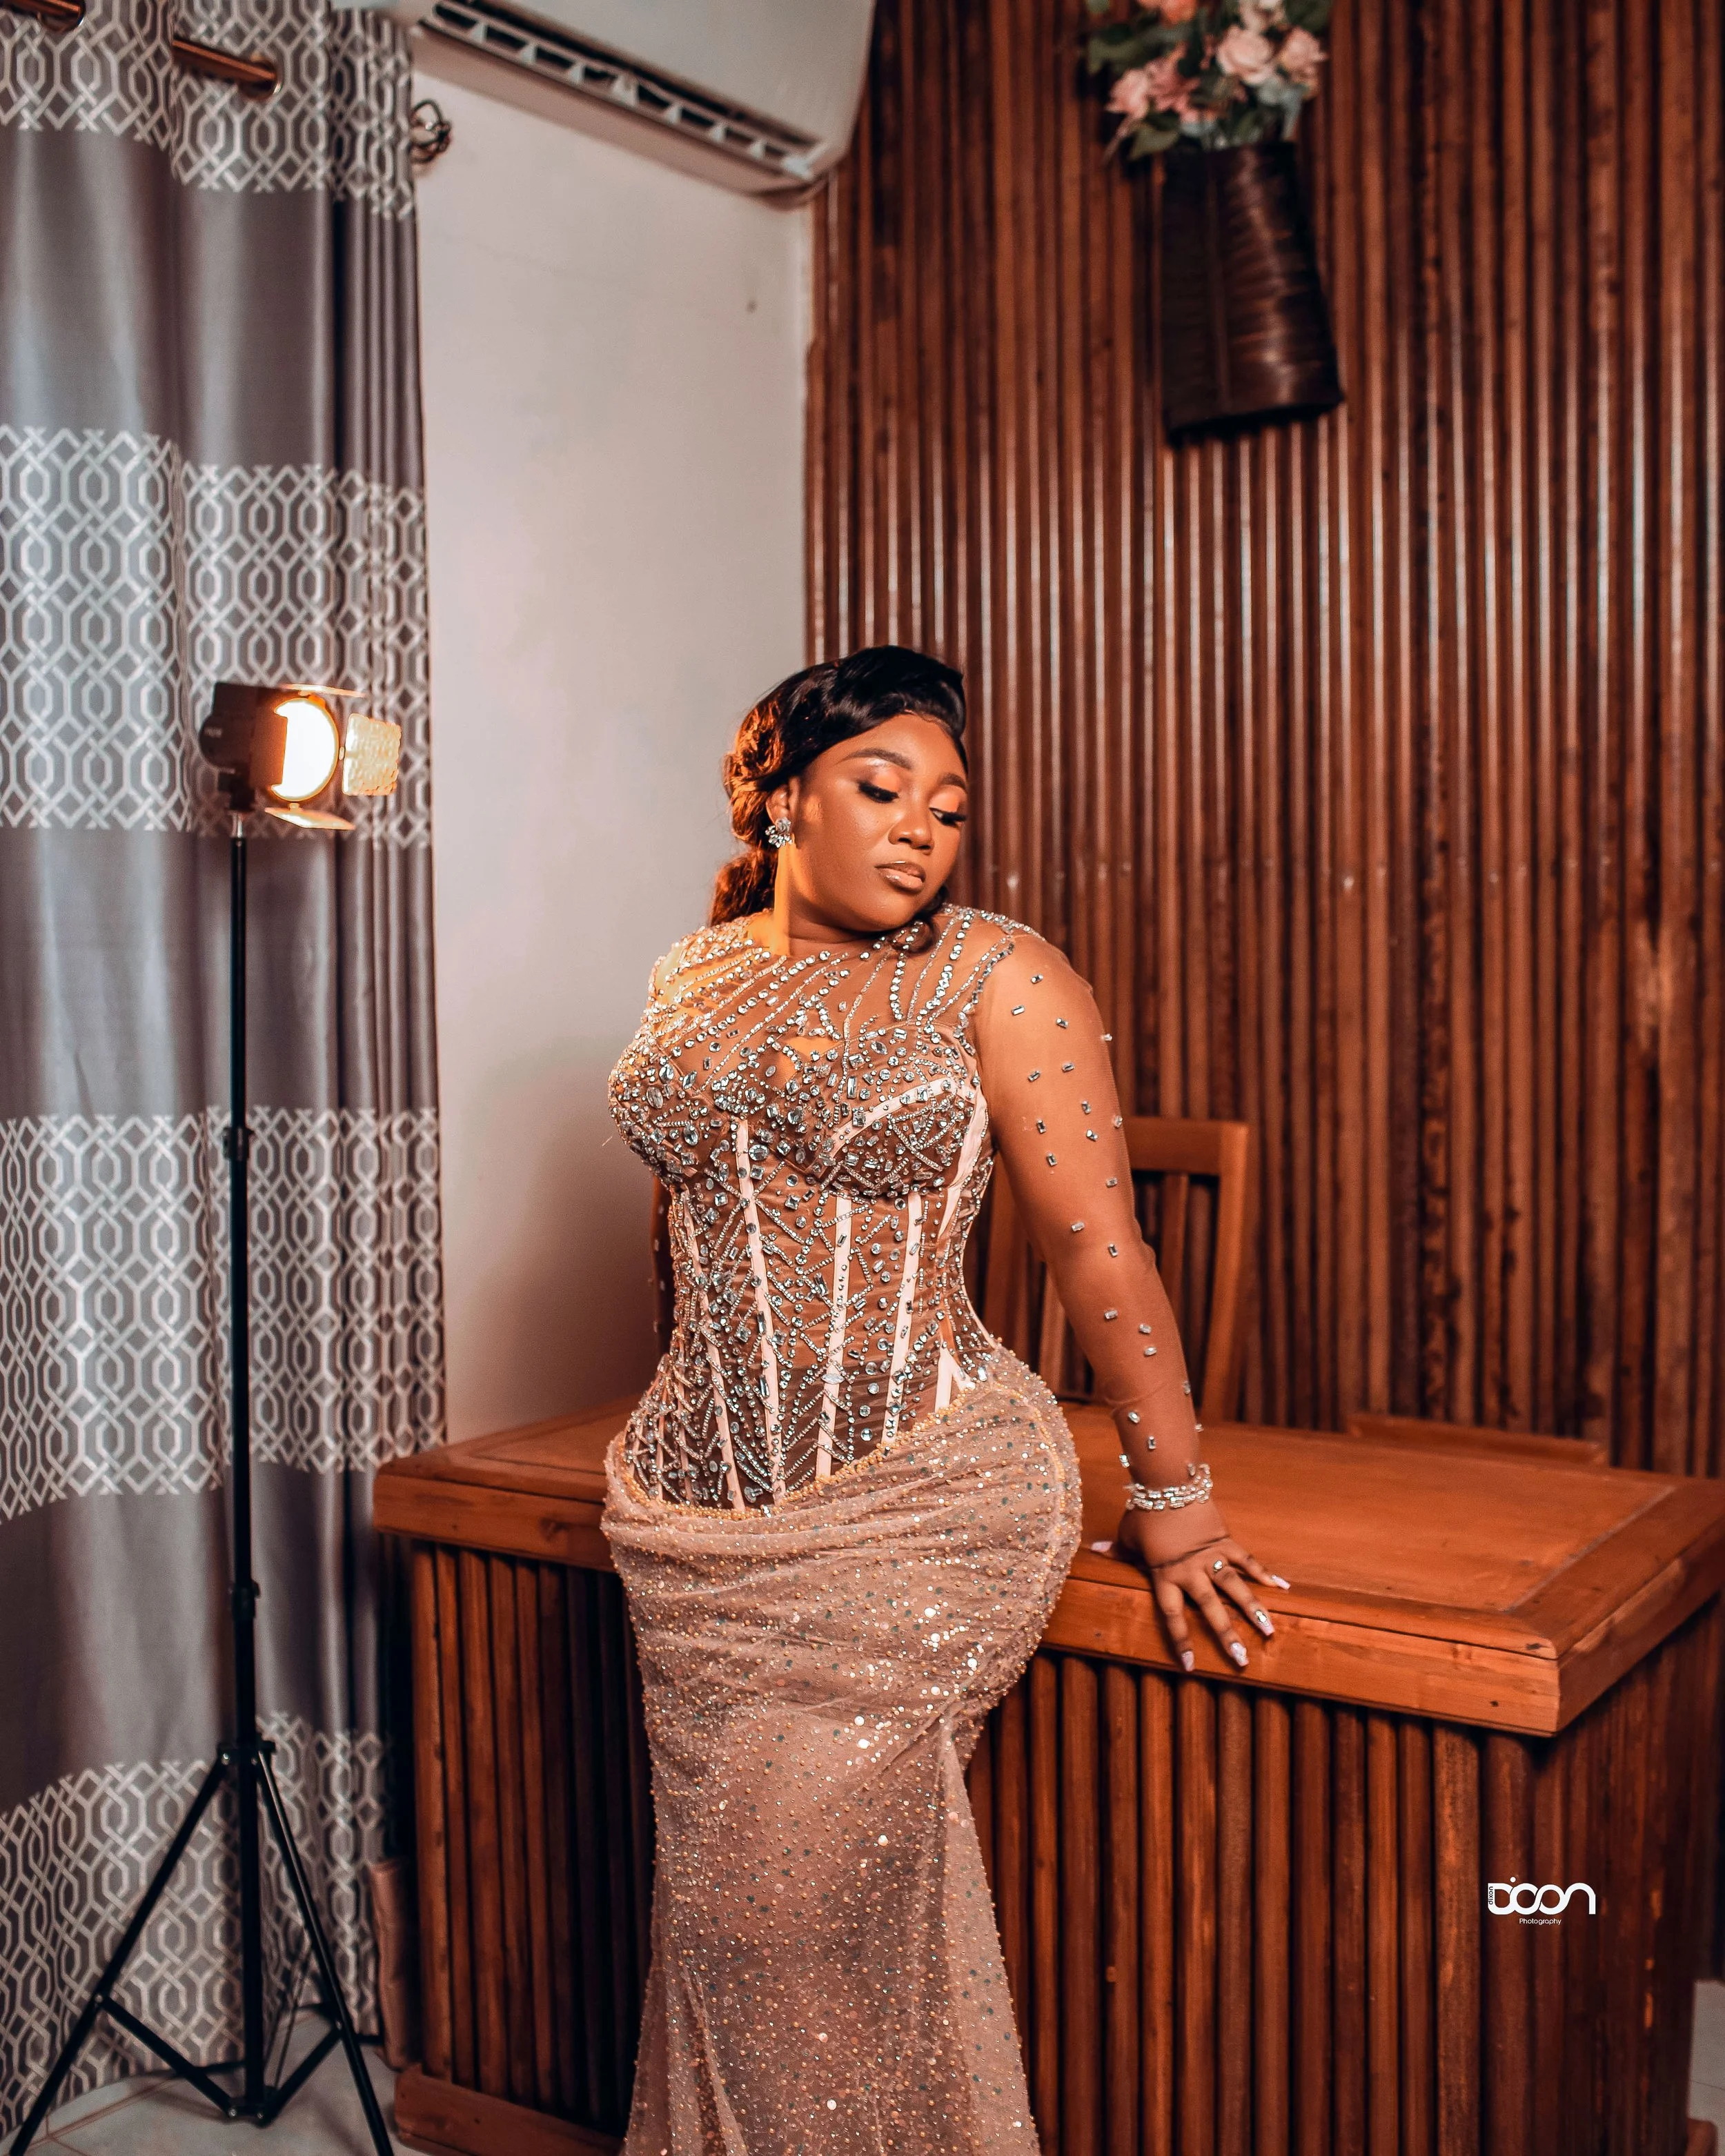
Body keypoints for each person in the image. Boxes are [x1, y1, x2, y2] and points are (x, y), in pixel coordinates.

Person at [602, 645, 1285, 2153]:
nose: (920, 826)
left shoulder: (999, 970)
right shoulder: (691, 969)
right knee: (728, 1922)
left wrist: (1177, 1511)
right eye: (879, 784)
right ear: (782, 798)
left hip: (919, 1503)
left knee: (774, 1906)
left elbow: (1100, 1252)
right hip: (693, 1536)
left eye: (949, 805)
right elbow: (690, 1232)